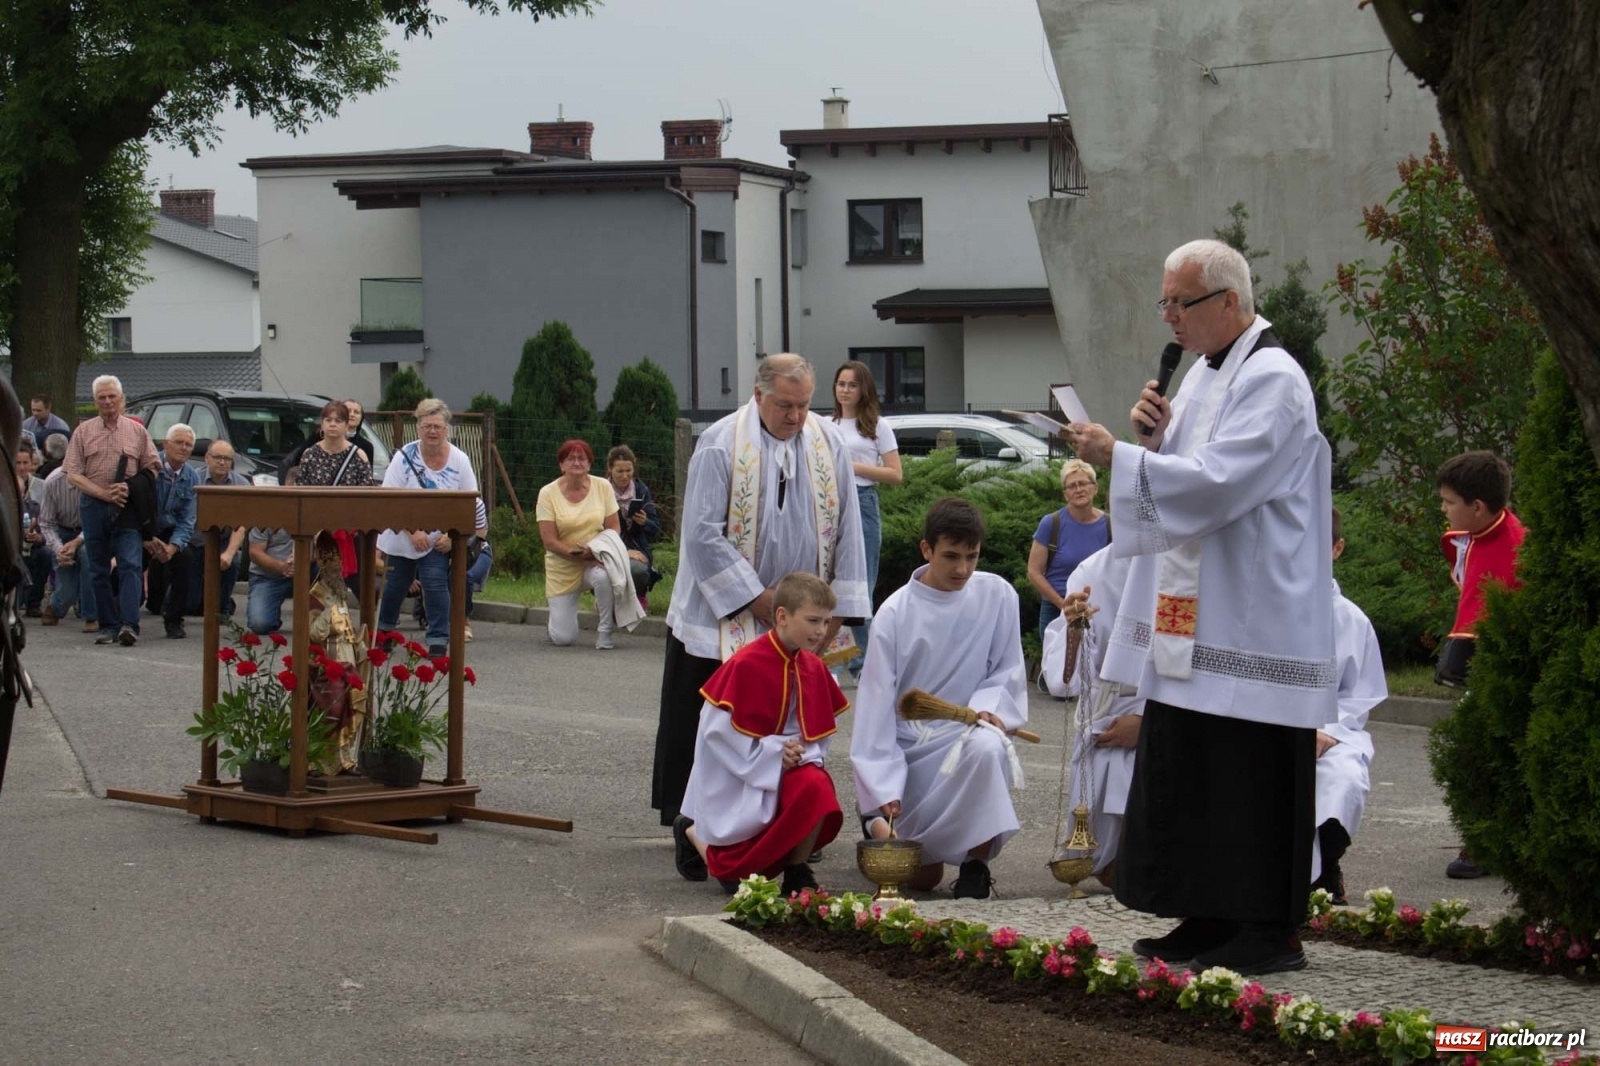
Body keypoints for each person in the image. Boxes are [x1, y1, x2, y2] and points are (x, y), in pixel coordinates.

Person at [1063, 238, 1335, 976]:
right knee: (1196, 764)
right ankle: (1210, 912)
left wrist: (1119, 457)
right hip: (1201, 610)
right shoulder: (1211, 373)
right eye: (1166, 303)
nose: (1170, 317)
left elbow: (1218, 484)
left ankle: (1268, 929)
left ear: (1228, 301)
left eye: (1180, 303)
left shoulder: (1272, 377)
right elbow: (1183, 475)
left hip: (1253, 615)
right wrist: (1154, 439)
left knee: (1249, 773)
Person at [651, 352, 870, 835]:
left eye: (804, 405)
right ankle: (694, 823)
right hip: (726, 611)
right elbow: (701, 533)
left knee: (786, 720)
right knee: (715, 720)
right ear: (758, 395)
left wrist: (833, 612)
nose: (796, 416)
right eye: (785, 405)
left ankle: (781, 820)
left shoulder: (828, 441)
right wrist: (758, 599)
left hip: (799, 614)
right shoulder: (719, 443)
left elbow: (848, 528)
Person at [850, 497, 1028, 900]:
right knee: (922, 879)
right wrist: (882, 785)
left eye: (971, 556)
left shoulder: (998, 595)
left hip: (968, 730)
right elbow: (877, 704)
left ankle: (975, 865)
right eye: (951, 556)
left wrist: (991, 710)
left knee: (988, 748)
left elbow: (1006, 668)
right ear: (926, 549)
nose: (962, 569)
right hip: (914, 744)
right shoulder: (895, 613)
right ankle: (873, 821)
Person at [675, 572, 848, 896]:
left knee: (817, 786)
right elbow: (715, 735)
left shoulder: (813, 667)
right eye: (813, 621)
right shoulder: (745, 664)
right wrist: (773, 752)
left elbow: (818, 735)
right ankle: (693, 830)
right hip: (743, 774)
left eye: (826, 622)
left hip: (788, 767)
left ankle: (797, 869)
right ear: (782, 616)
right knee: (735, 882)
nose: (821, 631)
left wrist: (801, 752)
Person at [1435, 449, 1525, 880]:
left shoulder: (1513, 548)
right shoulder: (1477, 533)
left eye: (1449, 502)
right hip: (1486, 664)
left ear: (1477, 506)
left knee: (1493, 750)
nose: (1443, 509)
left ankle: (1489, 840)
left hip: (1506, 667)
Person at [1042, 545, 1139, 890]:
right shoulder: (1091, 571)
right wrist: (1074, 631)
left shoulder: (1185, 565)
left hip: (1165, 715)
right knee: (1111, 869)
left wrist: (1149, 723)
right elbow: (1065, 682)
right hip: (1106, 718)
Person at [1310, 507, 1385, 905]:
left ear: (1337, 548)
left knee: (1342, 779)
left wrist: (1326, 731)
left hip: (1331, 733)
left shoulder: (1352, 620)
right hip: (1268, 728)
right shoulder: (1265, 608)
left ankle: (1325, 868)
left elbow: (1359, 694)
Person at [376, 398, 480, 658]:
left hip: (438, 538)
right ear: (418, 428)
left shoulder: (460, 459)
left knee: (434, 583)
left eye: (437, 426)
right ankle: (384, 633)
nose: (432, 431)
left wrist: (450, 536)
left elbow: (470, 502)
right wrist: (413, 531)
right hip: (402, 534)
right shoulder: (403, 458)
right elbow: (389, 500)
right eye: (427, 426)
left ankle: (438, 641)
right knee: (395, 586)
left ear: (447, 429)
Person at [64, 375, 160, 646]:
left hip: (126, 507)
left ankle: (129, 625)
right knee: (97, 567)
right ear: (95, 401)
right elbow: (73, 474)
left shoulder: (137, 431)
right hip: (93, 506)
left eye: (112, 397)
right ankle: (107, 625)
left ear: (121, 399)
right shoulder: (82, 432)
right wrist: (102, 493)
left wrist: (129, 487)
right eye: (102, 397)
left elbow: (153, 467)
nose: (107, 402)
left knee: (130, 564)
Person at [829, 360, 902, 680]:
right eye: (841, 384)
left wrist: (854, 466)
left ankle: (867, 666)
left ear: (864, 389)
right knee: (831, 586)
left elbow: (895, 474)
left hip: (863, 501)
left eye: (852, 385)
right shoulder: (826, 424)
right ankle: (833, 663)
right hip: (832, 503)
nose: (845, 390)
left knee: (861, 586)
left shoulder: (877, 426)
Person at [538, 439, 637, 649]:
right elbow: (549, 541)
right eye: (570, 458)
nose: (577, 462)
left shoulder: (602, 486)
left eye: (582, 458)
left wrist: (595, 551)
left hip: (595, 559)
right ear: (561, 464)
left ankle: (605, 632)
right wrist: (579, 555)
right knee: (563, 639)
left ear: (590, 463)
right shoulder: (547, 493)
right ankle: (555, 624)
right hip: (563, 567)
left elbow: (614, 528)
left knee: (603, 576)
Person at [1026, 458, 1109, 643]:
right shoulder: (1051, 523)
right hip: (1056, 609)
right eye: (1072, 486)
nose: (1078, 489)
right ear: (1065, 494)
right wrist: (1064, 605)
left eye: (1083, 483)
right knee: (1057, 660)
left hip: (1096, 609)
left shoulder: (1110, 525)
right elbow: (1033, 572)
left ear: (1095, 488)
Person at [142, 424, 201, 639]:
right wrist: (147, 538)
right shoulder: (148, 467)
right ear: (165, 444)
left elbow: (188, 519)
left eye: (188, 445)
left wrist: (173, 547)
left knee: (186, 558)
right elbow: (137, 508)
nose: (184, 448)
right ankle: (121, 617)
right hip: (143, 529)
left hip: (170, 531)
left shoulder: (192, 477)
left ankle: (174, 619)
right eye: (179, 442)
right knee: (127, 558)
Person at [185, 440, 251, 619]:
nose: (222, 462)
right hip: (195, 543)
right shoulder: (193, 480)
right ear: (207, 458)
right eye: (218, 458)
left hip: (224, 543)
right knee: (190, 604)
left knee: (233, 563)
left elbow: (241, 524)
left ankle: (222, 608)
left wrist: (229, 553)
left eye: (227, 459)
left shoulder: (242, 485)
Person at [37, 457, 96, 631]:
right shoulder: (53, 482)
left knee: (86, 555)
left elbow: (97, 519)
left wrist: (77, 542)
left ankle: (91, 616)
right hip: (62, 529)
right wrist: (59, 549)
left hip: (89, 530)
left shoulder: (96, 478)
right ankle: (56, 606)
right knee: (67, 591)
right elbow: (46, 523)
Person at [605, 445, 661, 615]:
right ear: (610, 470)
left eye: (628, 470)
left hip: (638, 547)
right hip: (609, 548)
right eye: (620, 471)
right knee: (605, 571)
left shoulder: (642, 490)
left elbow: (655, 528)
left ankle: (639, 596)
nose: (625, 476)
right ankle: (607, 600)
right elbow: (596, 529)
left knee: (637, 569)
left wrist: (645, 522)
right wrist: (623, 551)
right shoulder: (601, 490)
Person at [15, 439, 51, 618]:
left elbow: (47, 520)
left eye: (25, 462)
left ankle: (34, 603)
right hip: (11, 542)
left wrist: (39, 537)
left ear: (32, 463)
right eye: (18, 463)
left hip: (33, 539)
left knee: (44, 554)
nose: (22, 467)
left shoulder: (41, 487)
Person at [246, 526, 295, 635]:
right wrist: (283, 567)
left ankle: (321, 617)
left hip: (306, 571)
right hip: (267, 577)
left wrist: (305, 560)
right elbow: (255, 553)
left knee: (324, 567)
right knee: (260, 624)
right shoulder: (264, 518)